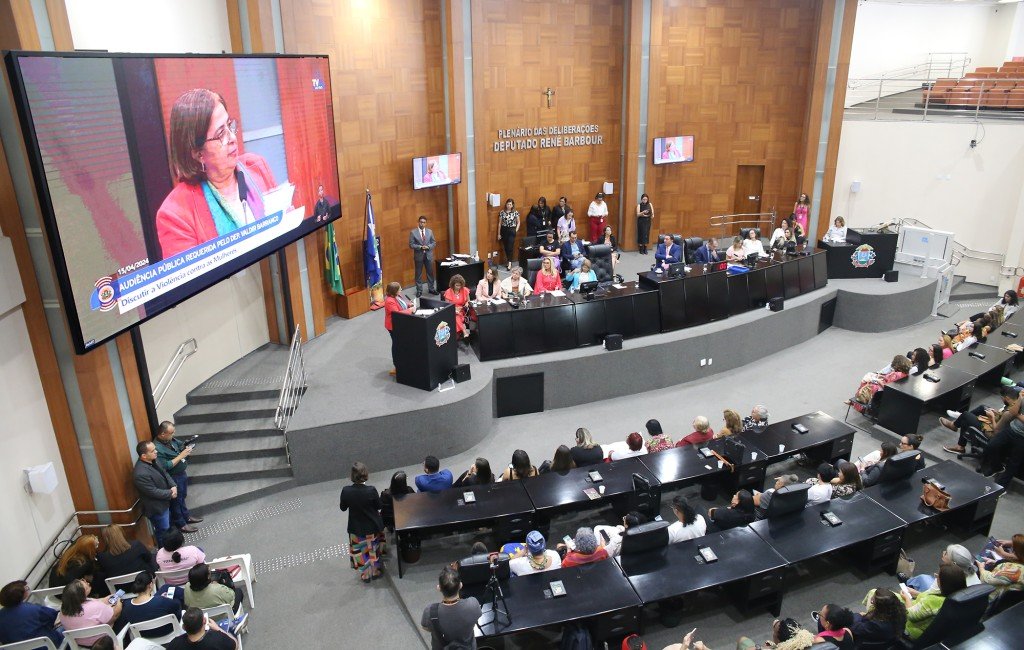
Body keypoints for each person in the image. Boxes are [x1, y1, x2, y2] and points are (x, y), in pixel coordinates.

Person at [155, 89, 278, 259]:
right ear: (198, 153)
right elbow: (197, 276)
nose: (232, 138)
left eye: (229, 125)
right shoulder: (175, 215)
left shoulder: (256, 166)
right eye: (221, 134)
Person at [340, 461, 385, 583]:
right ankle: (375, 571)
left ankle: (365, 574)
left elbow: (343, 507)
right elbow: (379, 506)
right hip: (372, 526)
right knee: (373, 548)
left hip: (356, 527)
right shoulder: (371, 490)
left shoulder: (346, 491)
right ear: (365, 474)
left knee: (360, 550)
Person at [154, 421, 200, 534]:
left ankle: (186, 516)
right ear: (163, 434)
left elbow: (180, 445)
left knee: (182, 497)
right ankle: (181, 524)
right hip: (172, 477)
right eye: (171, 433)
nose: (173, 434)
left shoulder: (171, 440)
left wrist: (186, 448)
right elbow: (165, 466)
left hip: (181, 474)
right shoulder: (157, 448)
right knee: (176, 501)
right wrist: (181, 456)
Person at [420, 566, 481, 650]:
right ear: (460, 585)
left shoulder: (430, 611)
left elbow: (426, 628)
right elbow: (476, 618)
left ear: (439, 588)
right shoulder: (473, 604)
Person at [903, 565, 967, 640]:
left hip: (913, 630)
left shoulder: (933, 601)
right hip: (932, 630)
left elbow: (910, 615)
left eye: (938, 576)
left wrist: (907, 598)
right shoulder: (958, 596)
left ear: (943, 582)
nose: (936, 577)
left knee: (891, 599)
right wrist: (917, 593)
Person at [133, 440, 177, 548]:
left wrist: (173, 485)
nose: (156, 452)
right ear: (144, 456)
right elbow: (152, 491)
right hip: (157, 508)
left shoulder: (154, 460)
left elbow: (164, 473)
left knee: (168, 529)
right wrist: (170, 493)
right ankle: (165, 552)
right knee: (163, 533)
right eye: (153, 451)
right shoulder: (140, 473)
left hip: (165, 502)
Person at [115, 572, 181, 639]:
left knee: (165, 587)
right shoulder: (161, 601)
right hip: (167, 631)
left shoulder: (127, 606)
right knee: (173, 595)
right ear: (151, 585)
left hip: (144, 635)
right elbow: (177, 607)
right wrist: (166, 599)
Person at [0, 580, 63, 646]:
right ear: (19, 595)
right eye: (26, 588)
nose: (27, 589)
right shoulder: (32, 609)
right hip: (48, 645)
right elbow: (53, 616)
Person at [59, 579, 121, 646]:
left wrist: (105, 599)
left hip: (80, 643)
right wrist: (119, 601)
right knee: (126, 606)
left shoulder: (63, 610)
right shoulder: (95, 607)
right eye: (86, 587)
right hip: (102, 642)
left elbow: (94, 602)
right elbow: (115, 615)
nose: (88, 583)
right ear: (81, 595)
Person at [905, 544, 981, 593]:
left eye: (946, 553)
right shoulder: (971, 571)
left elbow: (928, 597)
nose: (943, 552)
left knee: (922, 578)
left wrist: (915, 593)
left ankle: (906, 582)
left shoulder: (946, 578)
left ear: (953, 563)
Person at [165, 607, 237, 650]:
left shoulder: (174, 644)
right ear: (204, 621)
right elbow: (235, 646)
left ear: (183, 627)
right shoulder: (218, 638)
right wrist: (218, 628)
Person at [383, 282, 414, 377]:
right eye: (399, 289)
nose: (401, 290)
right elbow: (397, 314)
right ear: (394, 291)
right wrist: (410, 310)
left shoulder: (397, 296)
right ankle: (397, 366)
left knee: (402, 343)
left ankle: (404, 362)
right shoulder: (389, 301)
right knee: (397, 345)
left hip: (400, 325)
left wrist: (409, 305)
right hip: (393, 327)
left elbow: (403, 304)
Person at [736, 617, 815, 650]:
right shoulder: (810, 642)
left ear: (779, 640)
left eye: (774, 632)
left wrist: (759, 648)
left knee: (742, 640)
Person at [409, 215, 438, 297]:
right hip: (419, 256)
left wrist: (428, 247)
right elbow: (411, 245)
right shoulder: (413, 232)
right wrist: (420, 247)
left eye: (424, 222)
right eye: (421, 222)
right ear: (418, 222)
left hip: (428, 256)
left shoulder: (430, 231)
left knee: (430, 273)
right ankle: (419, 290)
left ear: (426, 223)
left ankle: (431, 289)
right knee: (418, 274)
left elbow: (434, 243)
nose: (422, 224)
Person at [442, 274, 471, 339]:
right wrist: (454, 309)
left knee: (458, 317)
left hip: (462, 310)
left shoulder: (464, 290)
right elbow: (447, 306)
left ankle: (458, 333)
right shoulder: (448, 292)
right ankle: (464, 331)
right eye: (457, 285)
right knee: (456, 316)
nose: (459, 287)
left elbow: (468, 301)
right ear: (453, 284)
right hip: (451, 310)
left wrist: (467, 303)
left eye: (460, 285)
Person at [497, 198, 520, 270]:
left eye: (510, 204)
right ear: (506, 204)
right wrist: (498, 234)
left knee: (510, 247)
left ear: (512, 205)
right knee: (506, 247)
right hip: (504, 230)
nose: (509, 206)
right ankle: (508, 260)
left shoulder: (515, 212)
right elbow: (500, 223)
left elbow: (518, 222)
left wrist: (516, 230)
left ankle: (509, 262)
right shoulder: (502, 212)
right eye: (508, 204)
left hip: (512, 230)